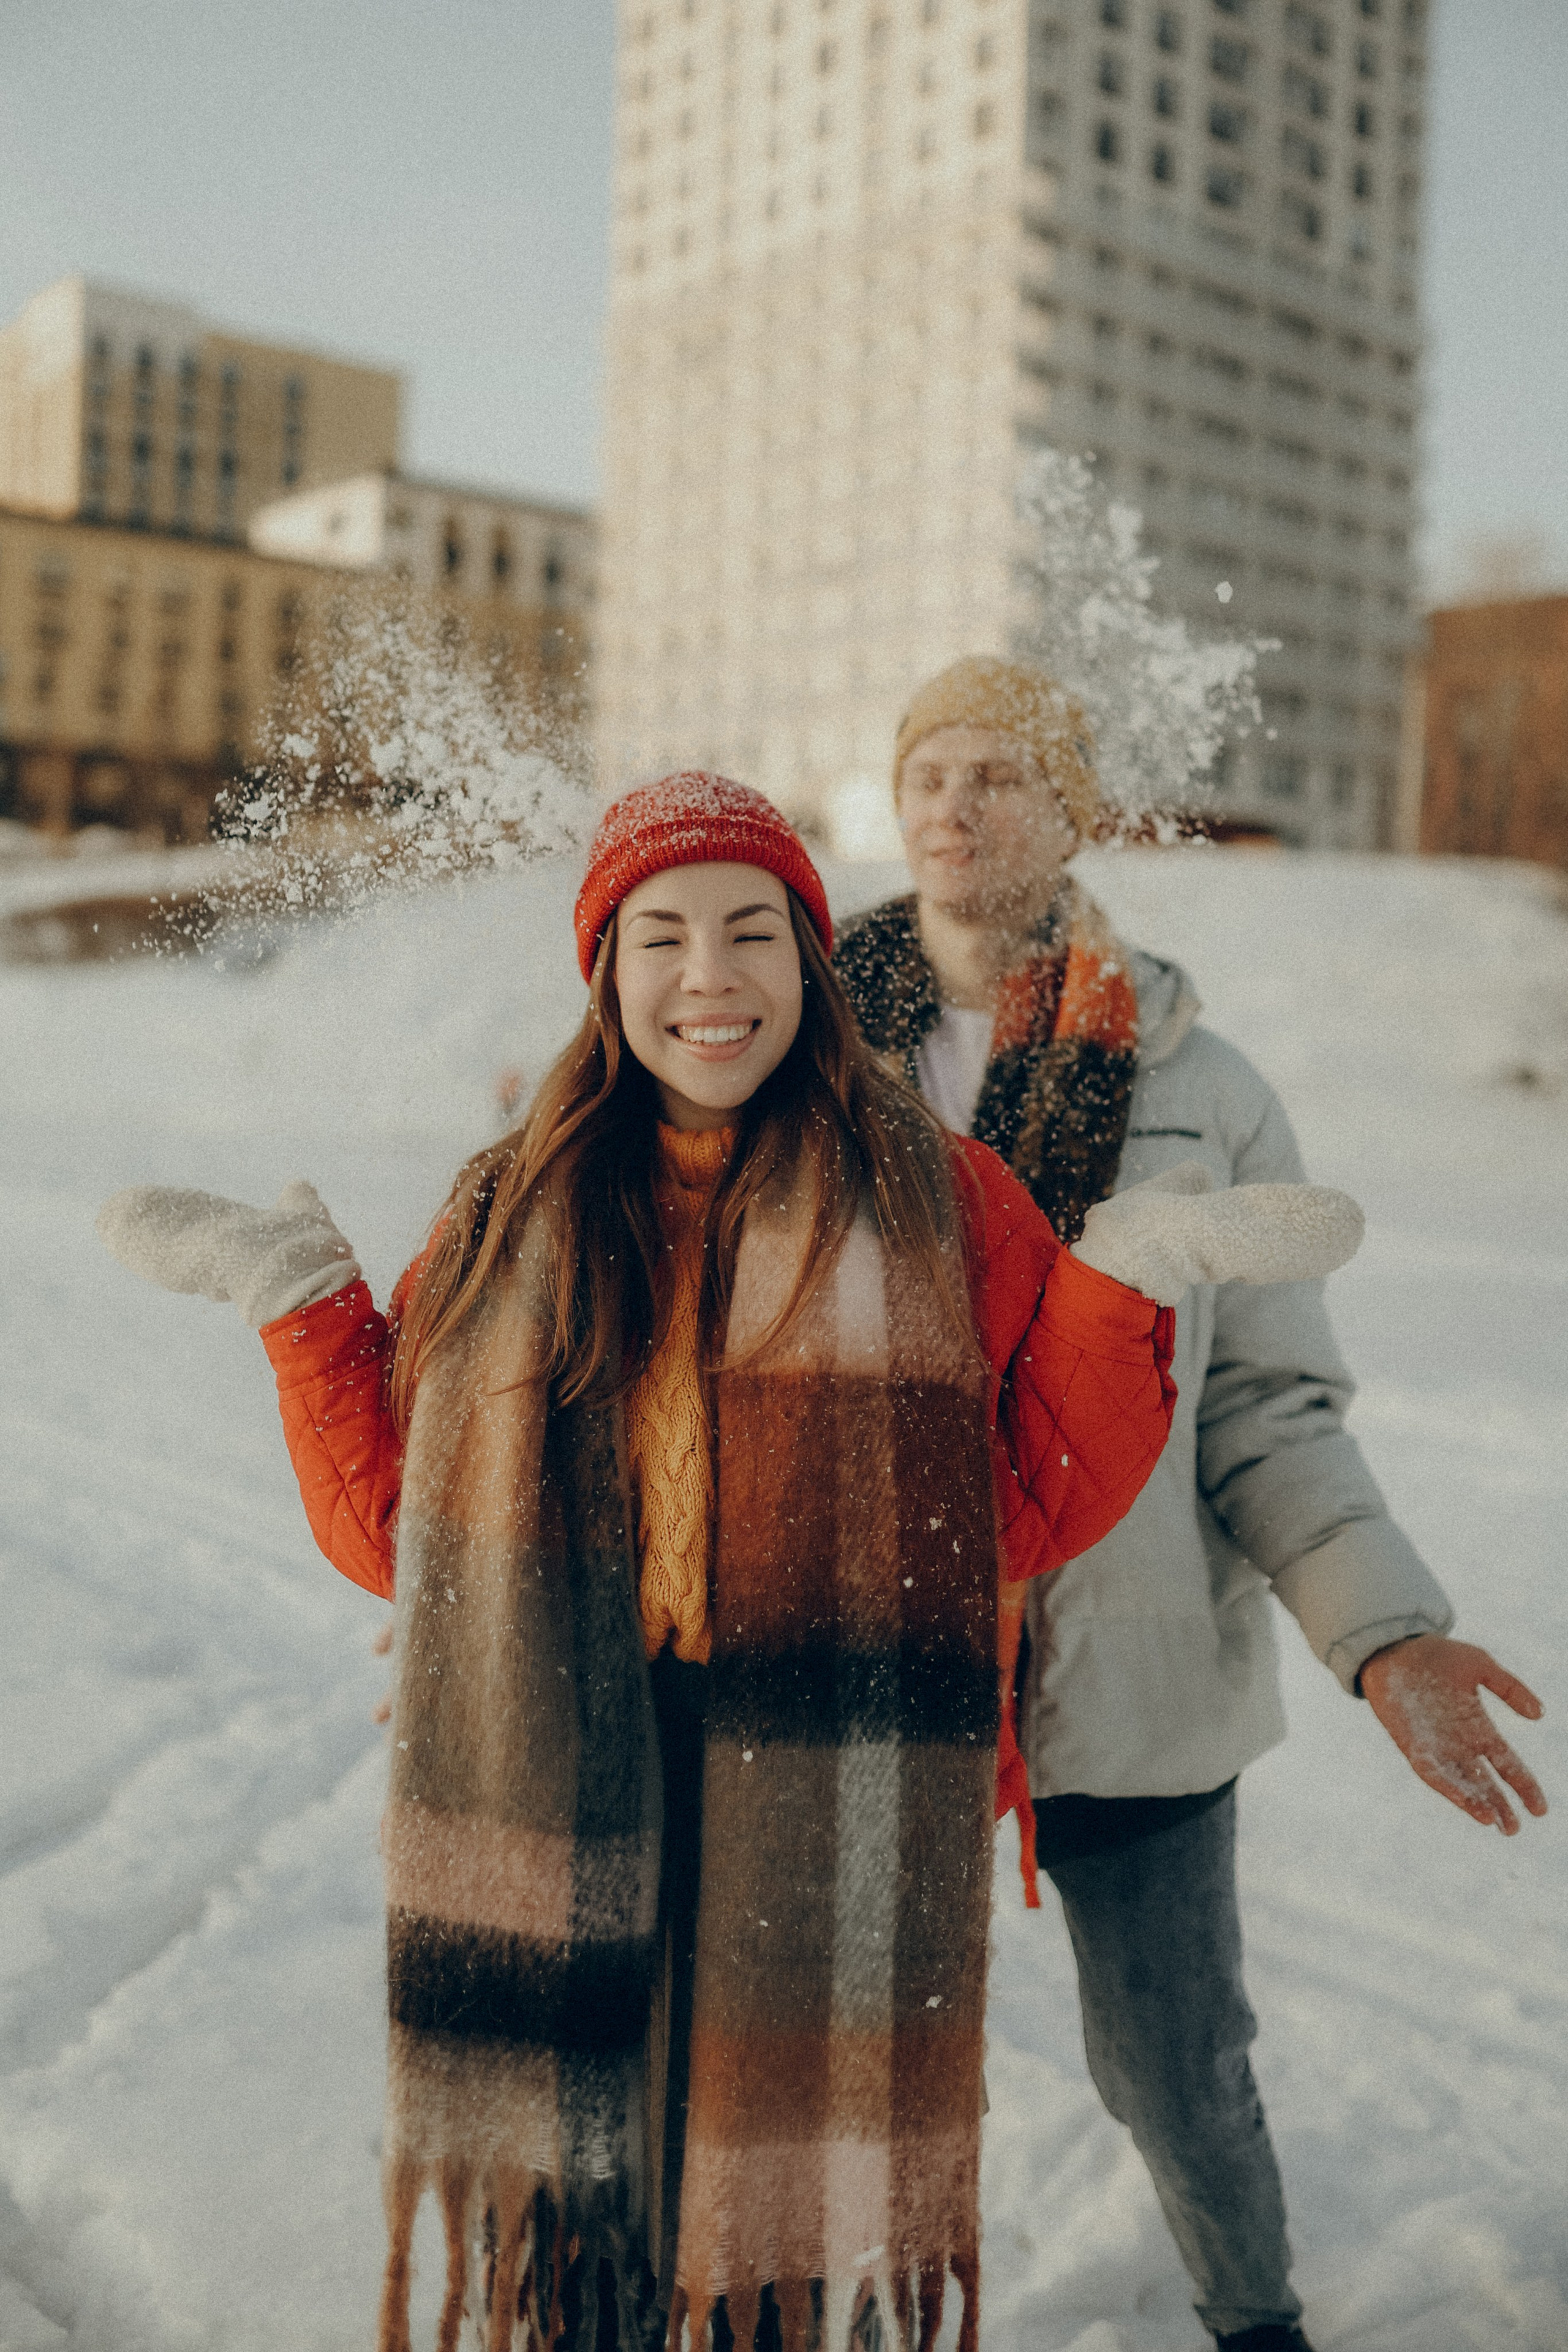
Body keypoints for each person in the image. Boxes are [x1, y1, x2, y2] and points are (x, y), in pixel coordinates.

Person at [97, 775, 1359, 2352]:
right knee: (584, 2224)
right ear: (607, 974)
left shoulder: (943, 1196)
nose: (711, 976)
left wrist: (1123, 1283)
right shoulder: (511, 1208)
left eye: (753, 931)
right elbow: (401, 1542)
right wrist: (300, 1308)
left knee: (770, 2219)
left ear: (810, 966)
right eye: (663, 937)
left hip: (819, 1767)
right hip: (573, 1752)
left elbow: (1022, 1509)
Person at [833, 659, 1550, 2352]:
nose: (953, 801)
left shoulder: (1201, 1085)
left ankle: (1256, 2319)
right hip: (866, 1657)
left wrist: (1387, 1634)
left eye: (1000, 771)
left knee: (1177, 2065)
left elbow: (1267, 1403)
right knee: (852, 2075)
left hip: (1136, 1674)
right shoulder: (796, 1057)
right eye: (927, 767)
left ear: (1074, 809)